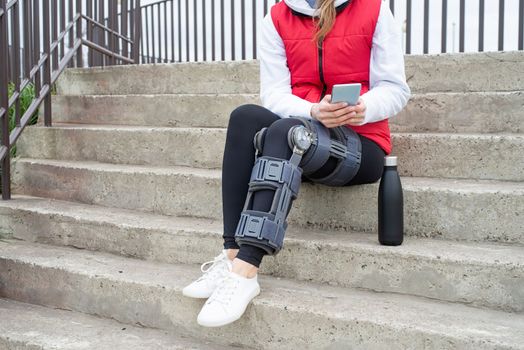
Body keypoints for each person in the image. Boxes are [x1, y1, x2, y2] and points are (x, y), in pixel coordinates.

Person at [182, 0, 410, 327]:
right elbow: (273, 95)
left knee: (286, 131)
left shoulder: (372, 9)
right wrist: (314, 111)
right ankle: (231, 254)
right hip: (306, 132)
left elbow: (395, 89)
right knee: (245, 118)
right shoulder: (277, 17)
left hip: (362, 144)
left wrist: (362, 107)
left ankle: (247, 269)